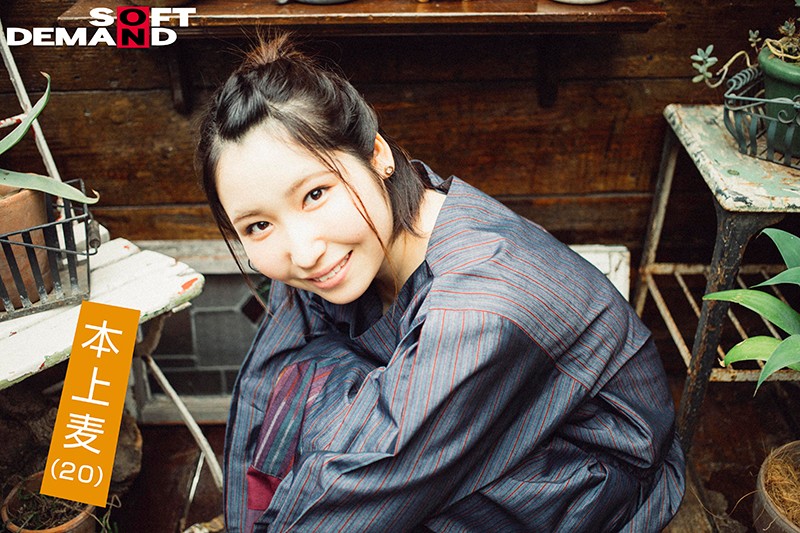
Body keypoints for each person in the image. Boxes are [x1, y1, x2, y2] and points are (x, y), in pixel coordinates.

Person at [196, 33, 685, 533]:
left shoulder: (480, 303)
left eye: (316, 194)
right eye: (258, 225)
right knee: (302, 384)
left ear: (377, 155)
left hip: (583, 479)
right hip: (472, 422)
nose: (302, 252)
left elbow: (367, 479)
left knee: (357, 446)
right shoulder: (335, 248)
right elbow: (266, 386)